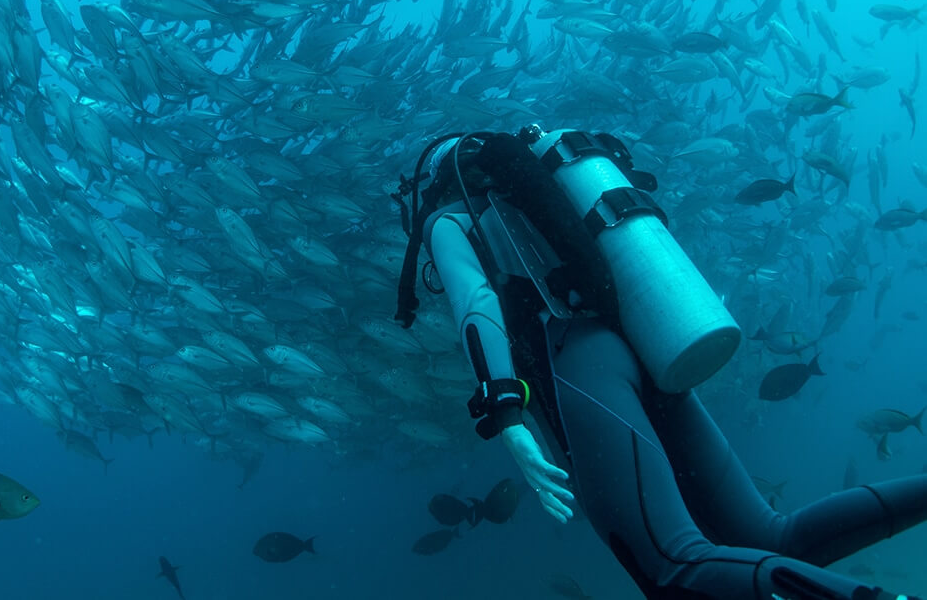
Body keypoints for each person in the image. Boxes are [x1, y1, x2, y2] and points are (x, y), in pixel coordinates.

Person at [392, 126, 927, 600]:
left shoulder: (449, 221)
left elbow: (476, 304)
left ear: (443, 182)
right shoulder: (550, 199)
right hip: (643, 346)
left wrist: (507, 416)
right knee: (769, 536)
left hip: (580, 364)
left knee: (671, 567)